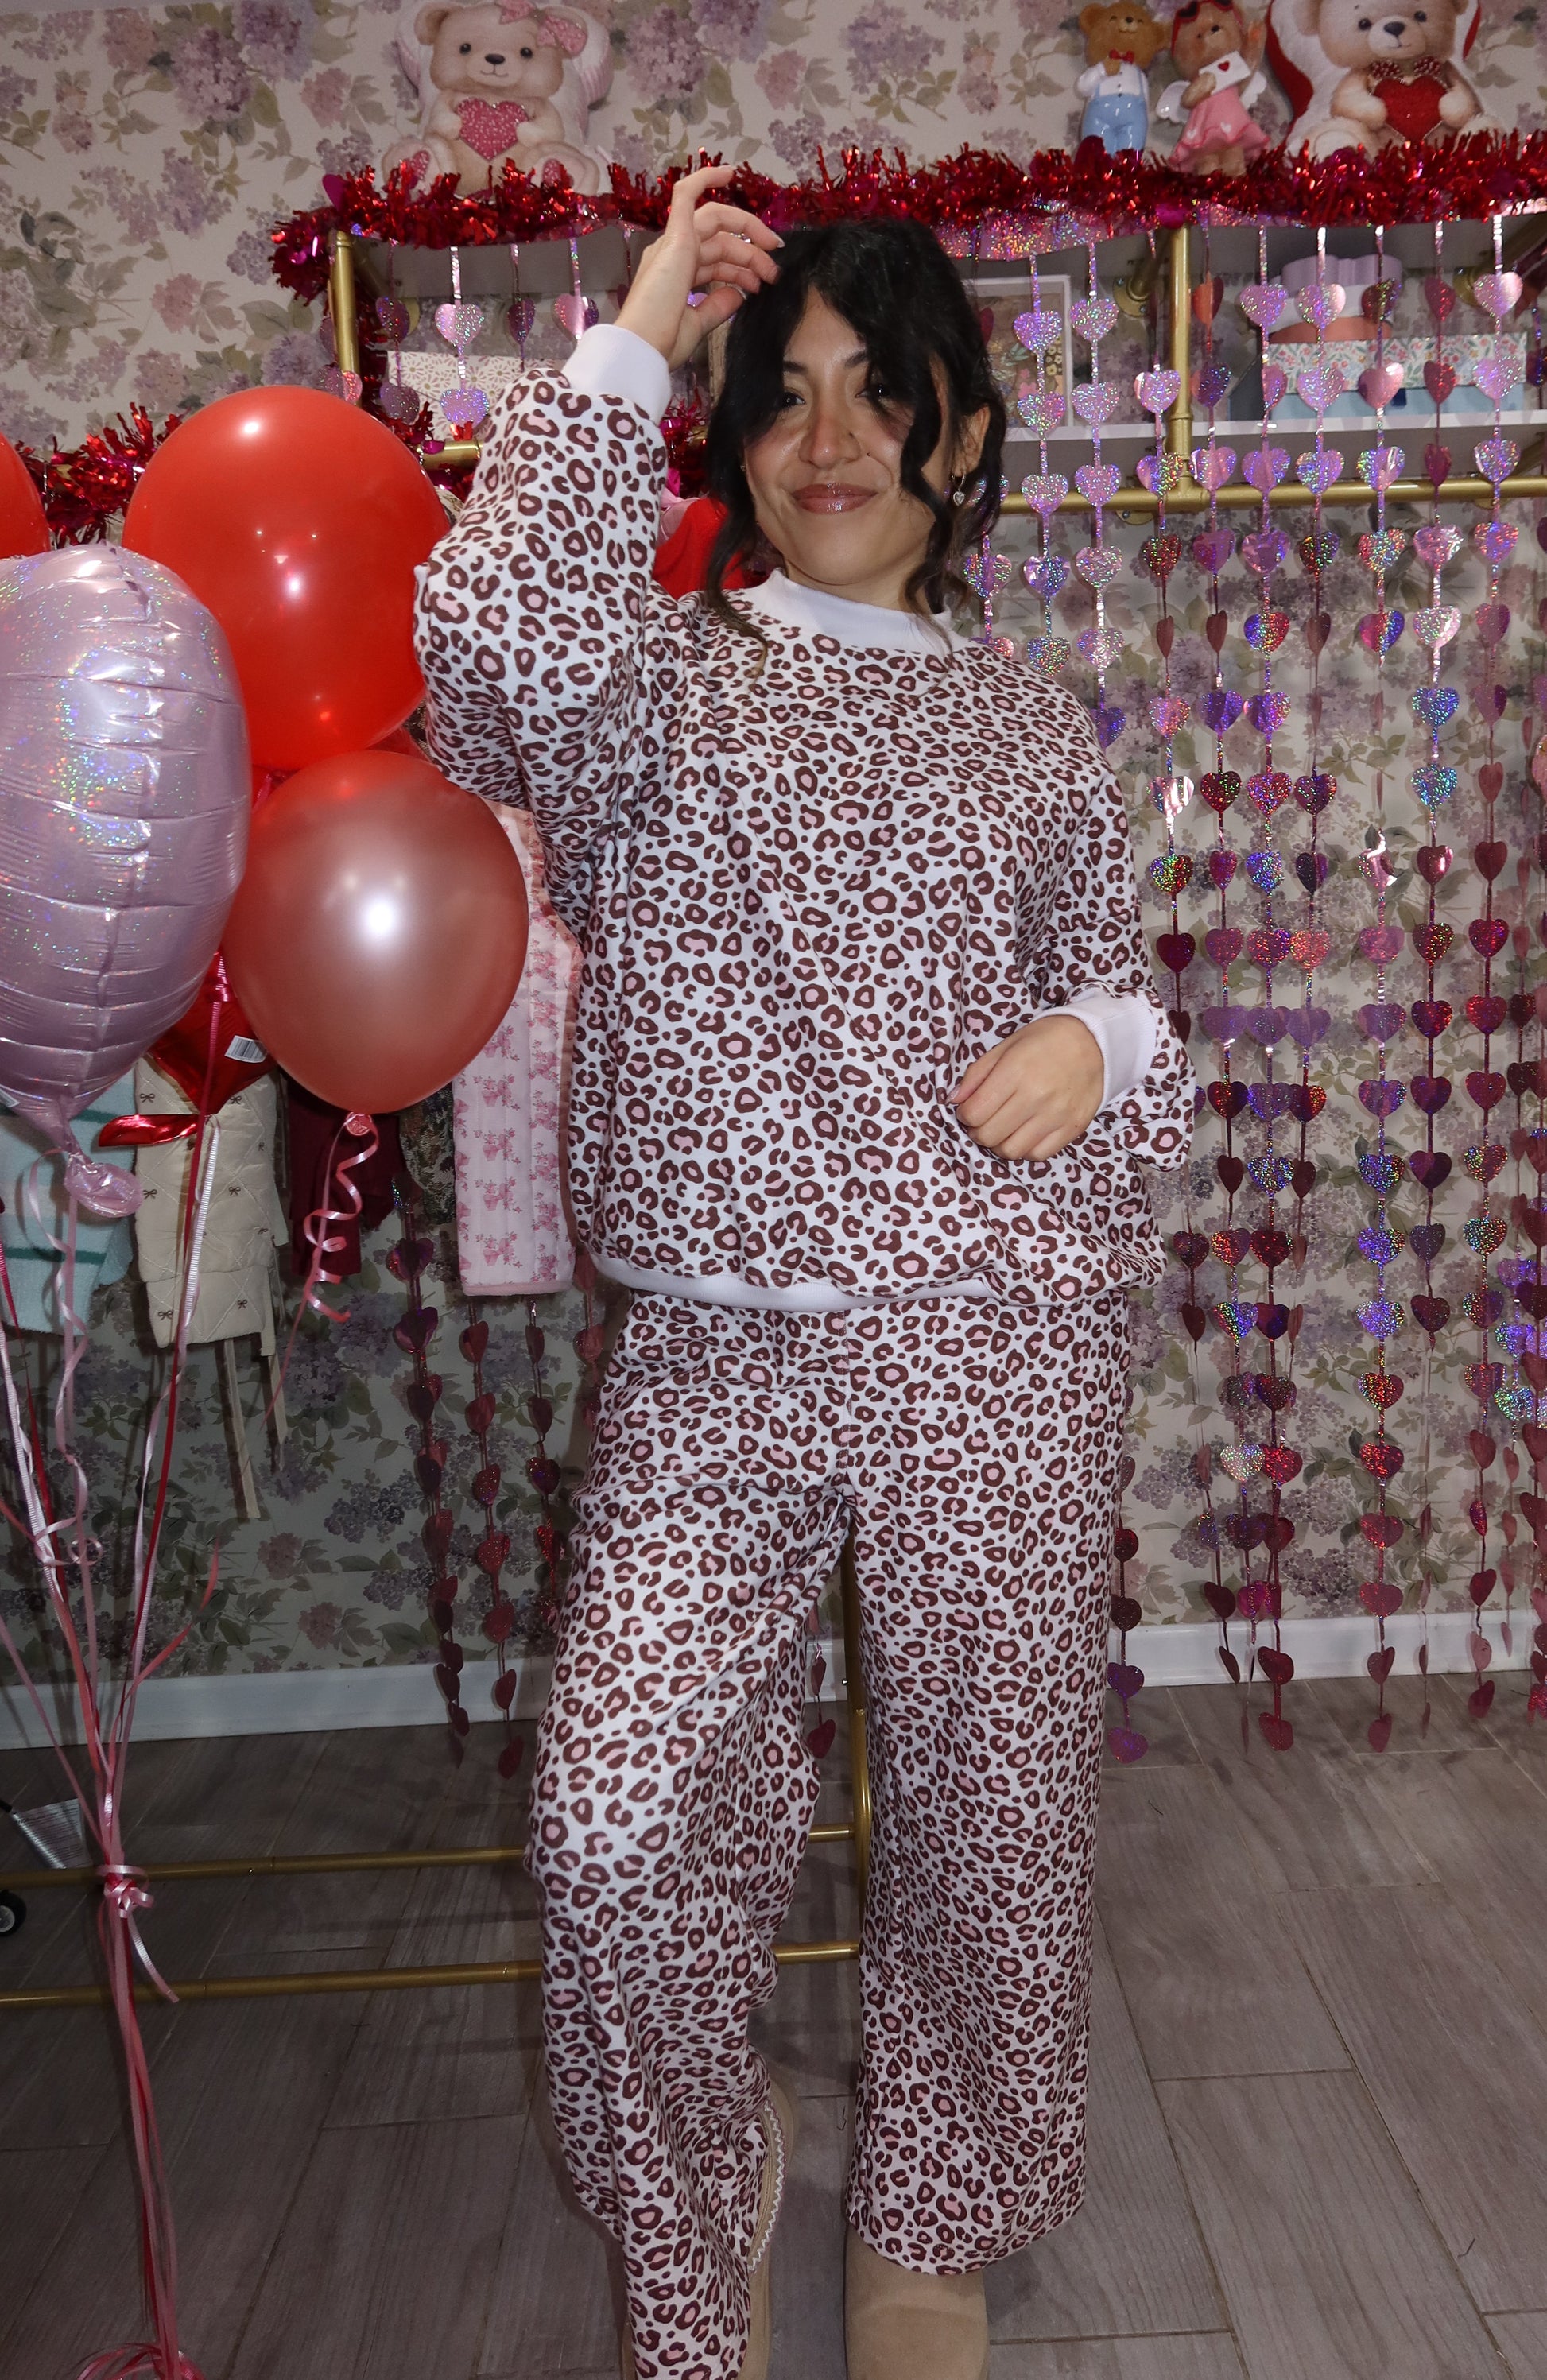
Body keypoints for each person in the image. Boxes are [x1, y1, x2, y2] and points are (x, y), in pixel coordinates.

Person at [415, 164, 1195, 2380]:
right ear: (728, 434)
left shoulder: (1033, 728)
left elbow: (1127, 994)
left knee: (989, 1809)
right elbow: (482, 653)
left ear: (963, 436)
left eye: (880, 390)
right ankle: (695, 2198)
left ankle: (932, 2215)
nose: (827, 436)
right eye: (782, 394)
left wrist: (1104, 1040)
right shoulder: (646, 684)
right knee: (615, 1819)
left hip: (995, 1338)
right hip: (714, 1353)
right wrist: (642, 321)